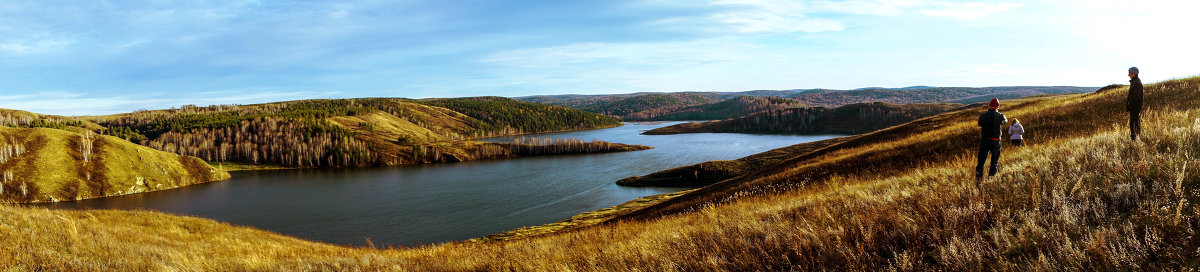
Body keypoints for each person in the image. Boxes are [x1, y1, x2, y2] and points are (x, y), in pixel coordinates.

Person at [976, 98, 1007, 181]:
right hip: (996, 141)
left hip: (985, 140)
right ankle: (991, 179)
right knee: (994, 163)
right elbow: (1005, 121)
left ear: (989, 105)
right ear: (998, 106)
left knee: (981, 162)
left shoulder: (983, 115)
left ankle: (979, 180)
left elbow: (980, 123)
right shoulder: (1001, 116)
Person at [1127, 67, 1143, 142]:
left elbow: (1136, 97)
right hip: (1134, 106)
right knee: (1134, 122)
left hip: (1135, 107)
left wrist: (1130, 105)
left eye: (1129, 72)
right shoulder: (1134, 82)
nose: (1128, 74)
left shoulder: (1137, 83)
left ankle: (1135, 139)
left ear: (1133, 73)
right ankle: (1135, 138)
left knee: (1134, 123)